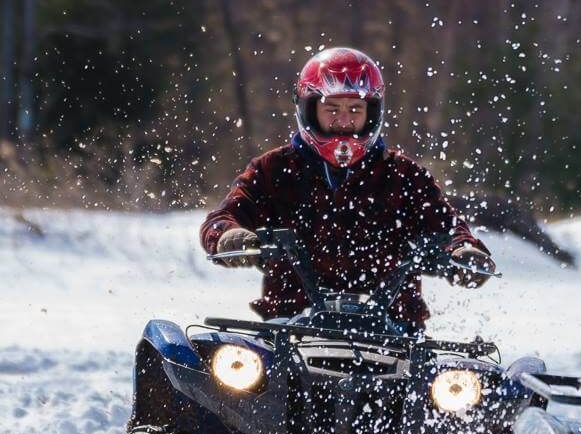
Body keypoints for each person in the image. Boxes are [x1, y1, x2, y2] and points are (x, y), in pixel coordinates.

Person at [201, 46, 494, 325]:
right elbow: (223, 218)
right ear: (308, 108)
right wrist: (230, 236)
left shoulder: (405, 175)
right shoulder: (273, 170)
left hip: (394, 332)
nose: (343, 120)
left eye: (355, 109)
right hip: (290, 327)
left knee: (470, 377)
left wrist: (463, 251)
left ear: (373, 113)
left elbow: (449, 228)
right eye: (331, 108)